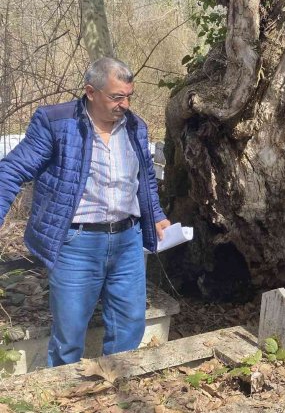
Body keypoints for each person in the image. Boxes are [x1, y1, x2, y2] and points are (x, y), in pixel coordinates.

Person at [0, 57, 170, 366]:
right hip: (76, 244)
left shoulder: (136, 126)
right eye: (117, 97)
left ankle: (116, 390)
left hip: (127, 241)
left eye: (129, 95)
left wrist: (156, 214)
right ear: (91, 92)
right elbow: (11, 171)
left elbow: (143, 177)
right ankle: (63, 399)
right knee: (69, 336)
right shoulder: (56, 123)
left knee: (129, 324)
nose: (125, 104)